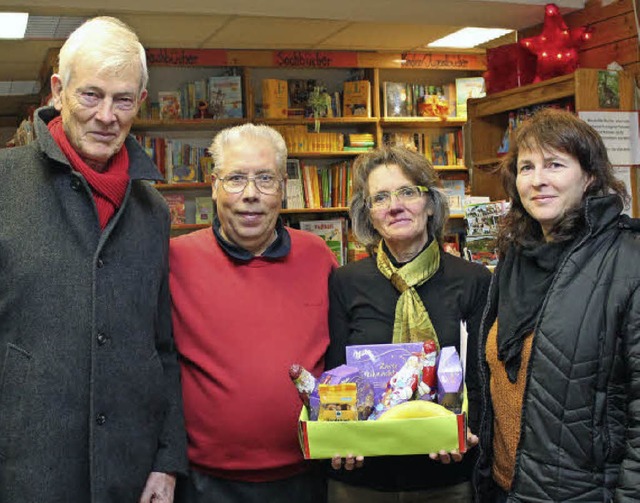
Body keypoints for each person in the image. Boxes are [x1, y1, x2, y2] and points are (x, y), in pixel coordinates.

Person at [0, 16, 187, 503]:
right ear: (58, 91)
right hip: (23, 471)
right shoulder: (3, 186)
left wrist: (166, 462)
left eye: (123, 99)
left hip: (130, 472)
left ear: (140, 103)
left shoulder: (153, 212)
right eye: (91, 95)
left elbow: (162, 348)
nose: (107, 115)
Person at [473, 108, 640, 502]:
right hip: (503, 487)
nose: (538, 180)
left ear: (590, 175)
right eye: (526, 167)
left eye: (554, 164)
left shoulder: (628, 261)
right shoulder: (515, 257)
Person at [170, 123, 337, 503]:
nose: (250, 195)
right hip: (205, 484)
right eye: (235, 179)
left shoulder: (319, 257)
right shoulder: (176, 260)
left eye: (265, 179)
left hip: (308, 474)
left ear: (282, 187)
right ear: (213, 186)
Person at [325, 146, 491, 501]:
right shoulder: (345, 282)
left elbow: (480, 379)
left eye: (407, 192)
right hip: (363, 477)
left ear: (430, 203)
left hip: (445, 475)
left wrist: (465, 432)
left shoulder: (474, 280)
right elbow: (336, 373)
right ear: (368, 215)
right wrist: (339, 436)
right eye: (380, 197)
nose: (394, 205)